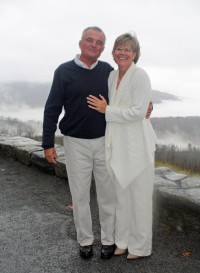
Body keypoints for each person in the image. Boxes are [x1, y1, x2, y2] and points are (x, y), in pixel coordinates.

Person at [42, 27, 153, 260]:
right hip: (75, 142)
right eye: (90, 40)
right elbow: (52, 108)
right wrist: (47, 143)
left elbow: (127, 94)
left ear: (103, 49)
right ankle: (85, 241)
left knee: (108, 195)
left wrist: (149, 105)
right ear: (81, 42)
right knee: (80, 194)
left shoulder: (107, 71)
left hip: (105, 141)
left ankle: (109, 240)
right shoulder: (64, 71)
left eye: (99, 42)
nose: (94, 45)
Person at [87, 33, 157, 260]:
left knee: (139, 197)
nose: (123, 53)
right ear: (113, 52)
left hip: (137, 144)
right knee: (122, 197)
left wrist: (107, 111)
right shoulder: (111, 75)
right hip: (118, 144)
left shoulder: (140, 76)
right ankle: (123, 241)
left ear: (135, 54)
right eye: (119, 48)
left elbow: (138, 111)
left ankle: (140, 246)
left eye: (128, 49)